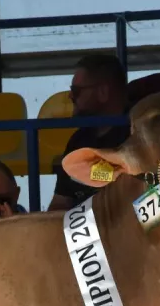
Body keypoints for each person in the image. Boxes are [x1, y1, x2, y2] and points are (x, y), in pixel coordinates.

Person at [47, 54, 130, 212]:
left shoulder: (139, 135)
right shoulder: (78, 140)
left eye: (76, 91)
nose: (70, 96)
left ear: (103, 92)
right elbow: (60, 202)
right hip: (84, 226)